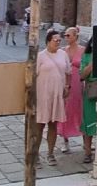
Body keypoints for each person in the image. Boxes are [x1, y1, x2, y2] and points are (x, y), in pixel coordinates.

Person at [35, 29, 70, 164]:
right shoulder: (41, 56)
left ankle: (50, 153)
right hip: (43, 94)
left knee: (53, 124)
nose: (58, 42)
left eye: (59, 40)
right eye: (55, 40)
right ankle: (35, 154)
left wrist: (67, 86)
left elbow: (68, 72)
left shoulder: (63, 54)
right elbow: (34, 75)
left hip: (57, 94)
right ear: (48, 41)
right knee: (39, 125)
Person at [79, 36, 97, 165]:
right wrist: (92, 64)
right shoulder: (86, 56)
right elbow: (81, 76)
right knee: (89, 122)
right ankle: (87, 152)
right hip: (90, 91)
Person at [58, 27, 85, 153]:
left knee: (81, 110)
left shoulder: (83, 50)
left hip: (79, 83)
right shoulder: (62, 51)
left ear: (75, 36)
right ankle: (65, 140)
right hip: (66, 83)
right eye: (65, 35)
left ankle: (87, 140)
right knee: (66, 110)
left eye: (68, 35)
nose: (66, 38)